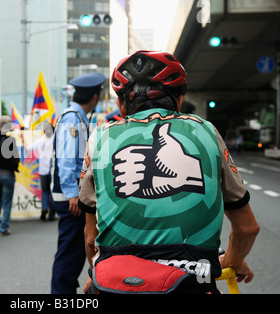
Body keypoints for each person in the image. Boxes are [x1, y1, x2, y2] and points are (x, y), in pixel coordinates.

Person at [79, 50, 260, 294]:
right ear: (180, 100)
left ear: (121, 104)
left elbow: (92, 238)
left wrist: (97, 271)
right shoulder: (205, 131)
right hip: (193, 281)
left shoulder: (99, 138)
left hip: (116, 284)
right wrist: (231, 261)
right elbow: (247, 228)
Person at [50, 72, 106, 294]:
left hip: (71, 194)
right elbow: (66, 158)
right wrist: (73, 193)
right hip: (70, 197)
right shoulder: (73, 117)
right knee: (70, 252)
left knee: (72, 251)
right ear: (95, 96)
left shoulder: (75, 116)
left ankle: (64, 290)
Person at [0, 116, 20, 236]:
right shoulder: (11, 141)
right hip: (7, 175)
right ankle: (4, 228)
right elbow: (16, 159)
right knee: (6, 202)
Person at [26, 123, 55, 221]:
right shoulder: (56, 140)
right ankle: (51, 214)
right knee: (52, 192)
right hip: (53, 170)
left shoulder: (40, 141)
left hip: (43, 170)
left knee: (45, 191)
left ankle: (44, 208)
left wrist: (22, 138)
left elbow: (28, 148)